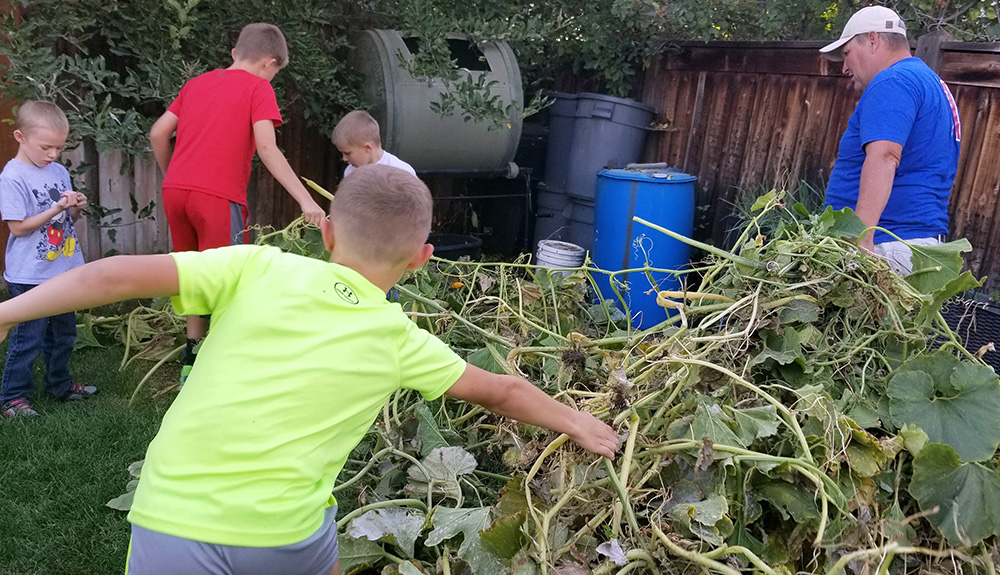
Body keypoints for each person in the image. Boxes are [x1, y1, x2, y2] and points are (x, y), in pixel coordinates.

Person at [0, 165, 619, 574]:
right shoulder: (399, 339)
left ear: (325, 231)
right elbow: (502, 392)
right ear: (424, 259)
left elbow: (111, 276)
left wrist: (7, 312)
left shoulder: (258, 266)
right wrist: (578, 422)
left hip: (175, 518)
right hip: (284, 537)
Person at [149, 23, 326, 379]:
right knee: (228, 279)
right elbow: (266, 148)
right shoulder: (259, 88)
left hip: (176, 194)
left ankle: (191, 358)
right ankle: (222, 365)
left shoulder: (196, 84)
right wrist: (307, 201)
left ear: (234, 54)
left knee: (192, 275)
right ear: (270, 63)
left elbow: (158, 133)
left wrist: (174, 176)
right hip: (217, 199)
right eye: (276, 73)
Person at [819, 6, 962, 275]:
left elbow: (885, 156)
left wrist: (859, 244)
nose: (845, 67)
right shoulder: (932, 84)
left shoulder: (893, 80)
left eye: (847, 53)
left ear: (873, 39)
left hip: (885, 248)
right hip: (912, 245)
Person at [0, 101, 96, 417]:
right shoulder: (13, 177)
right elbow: (18, 227)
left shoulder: (59, 171)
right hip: (30, 273)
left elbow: (70, 221)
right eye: (46, 147)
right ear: (20, 136)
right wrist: (56, 208)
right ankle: (13, 398)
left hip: (62, 268)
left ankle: (59, 385)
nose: (53, 154)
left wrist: (75, 206)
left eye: (59, 147)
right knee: (28, 338)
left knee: (64, 334)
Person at [332, 110, 417, 177]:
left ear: (367, 148)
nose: (344, 159)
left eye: (347, 153)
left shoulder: (401, 172)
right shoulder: (350, 172)